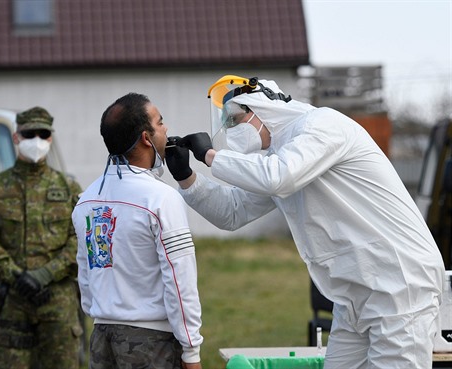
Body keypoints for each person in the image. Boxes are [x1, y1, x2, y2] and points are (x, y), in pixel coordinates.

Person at [165, 75, 445, 369]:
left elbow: (279, 176)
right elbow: (233, 211)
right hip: (355, 299)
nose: (232, 129)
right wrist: (187, 178)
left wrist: (210, 156)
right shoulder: (281, 156)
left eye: (236, 119)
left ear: (265, 106)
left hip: (399, 287)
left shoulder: (321, 126)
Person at [72, 93, 203, 369]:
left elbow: (85, 272)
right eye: (160, 122)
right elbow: (180, 280)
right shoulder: (161, 199)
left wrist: (104, 313)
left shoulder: (86, 200)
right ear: (146, 138)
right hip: (150, 341)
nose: (166, 129)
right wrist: (191, 350)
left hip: (101, 338)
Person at [0, 106, 83, 369]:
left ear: (50, 139)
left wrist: (44, 275)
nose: (36, 141)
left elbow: (82, 240)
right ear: (16, 137)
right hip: (12, 302)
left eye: (43, 134)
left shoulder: (69, 189)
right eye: (29, 133)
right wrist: (17, 277)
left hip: (58, 303)